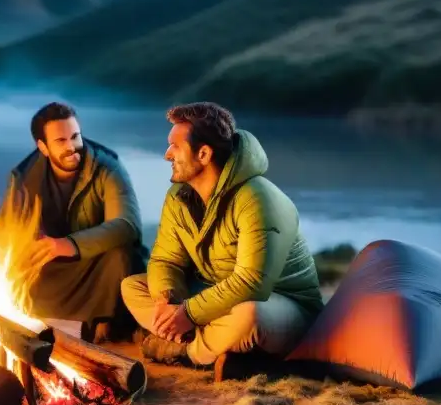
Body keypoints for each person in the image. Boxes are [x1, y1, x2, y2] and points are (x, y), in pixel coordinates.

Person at [121, 102, 323, 371]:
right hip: (216, 297)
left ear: (203, 153)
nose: (167, 155)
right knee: (132, 287)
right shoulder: (179, 197)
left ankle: (187, 351)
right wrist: (168, 300)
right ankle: (222, 347)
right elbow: (165, 260)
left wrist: (190, 314)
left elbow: (252, 284)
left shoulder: (257, 199)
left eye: (175, 146)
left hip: (279, 305)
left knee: (250, 315)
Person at [1, 101, 145, 342]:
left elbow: (127, 225)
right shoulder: (24, 176)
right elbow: (5, 230)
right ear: (43, 147)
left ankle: (103, 326)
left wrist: (68, 245)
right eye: (60, 141)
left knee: (120, 258)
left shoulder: (106, 167)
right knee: (17, 270)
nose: (72, 147)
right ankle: (57, 324)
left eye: (75, 136)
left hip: (96, 263)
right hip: (54, 268)